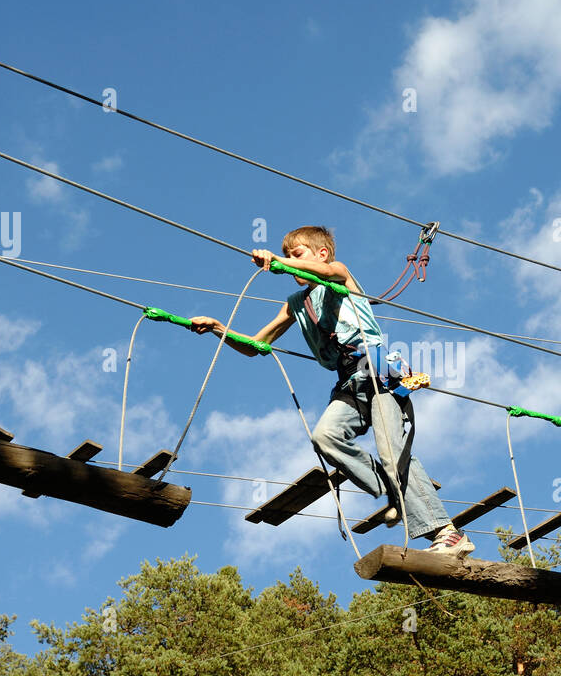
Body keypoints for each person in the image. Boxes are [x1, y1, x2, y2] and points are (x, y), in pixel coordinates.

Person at [190, 225, 473, 555]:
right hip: (348, 383)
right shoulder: (296, 303)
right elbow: (258, 345)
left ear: (320, 253)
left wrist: (280, 261)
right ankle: (388, 487)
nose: (292, 262)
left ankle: (447, 532)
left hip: (376, 372)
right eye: (290, 256)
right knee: (324, 436)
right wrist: (218, 328)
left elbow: (326, 272)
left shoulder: (338, 273)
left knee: (390, 450)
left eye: (299, 255)